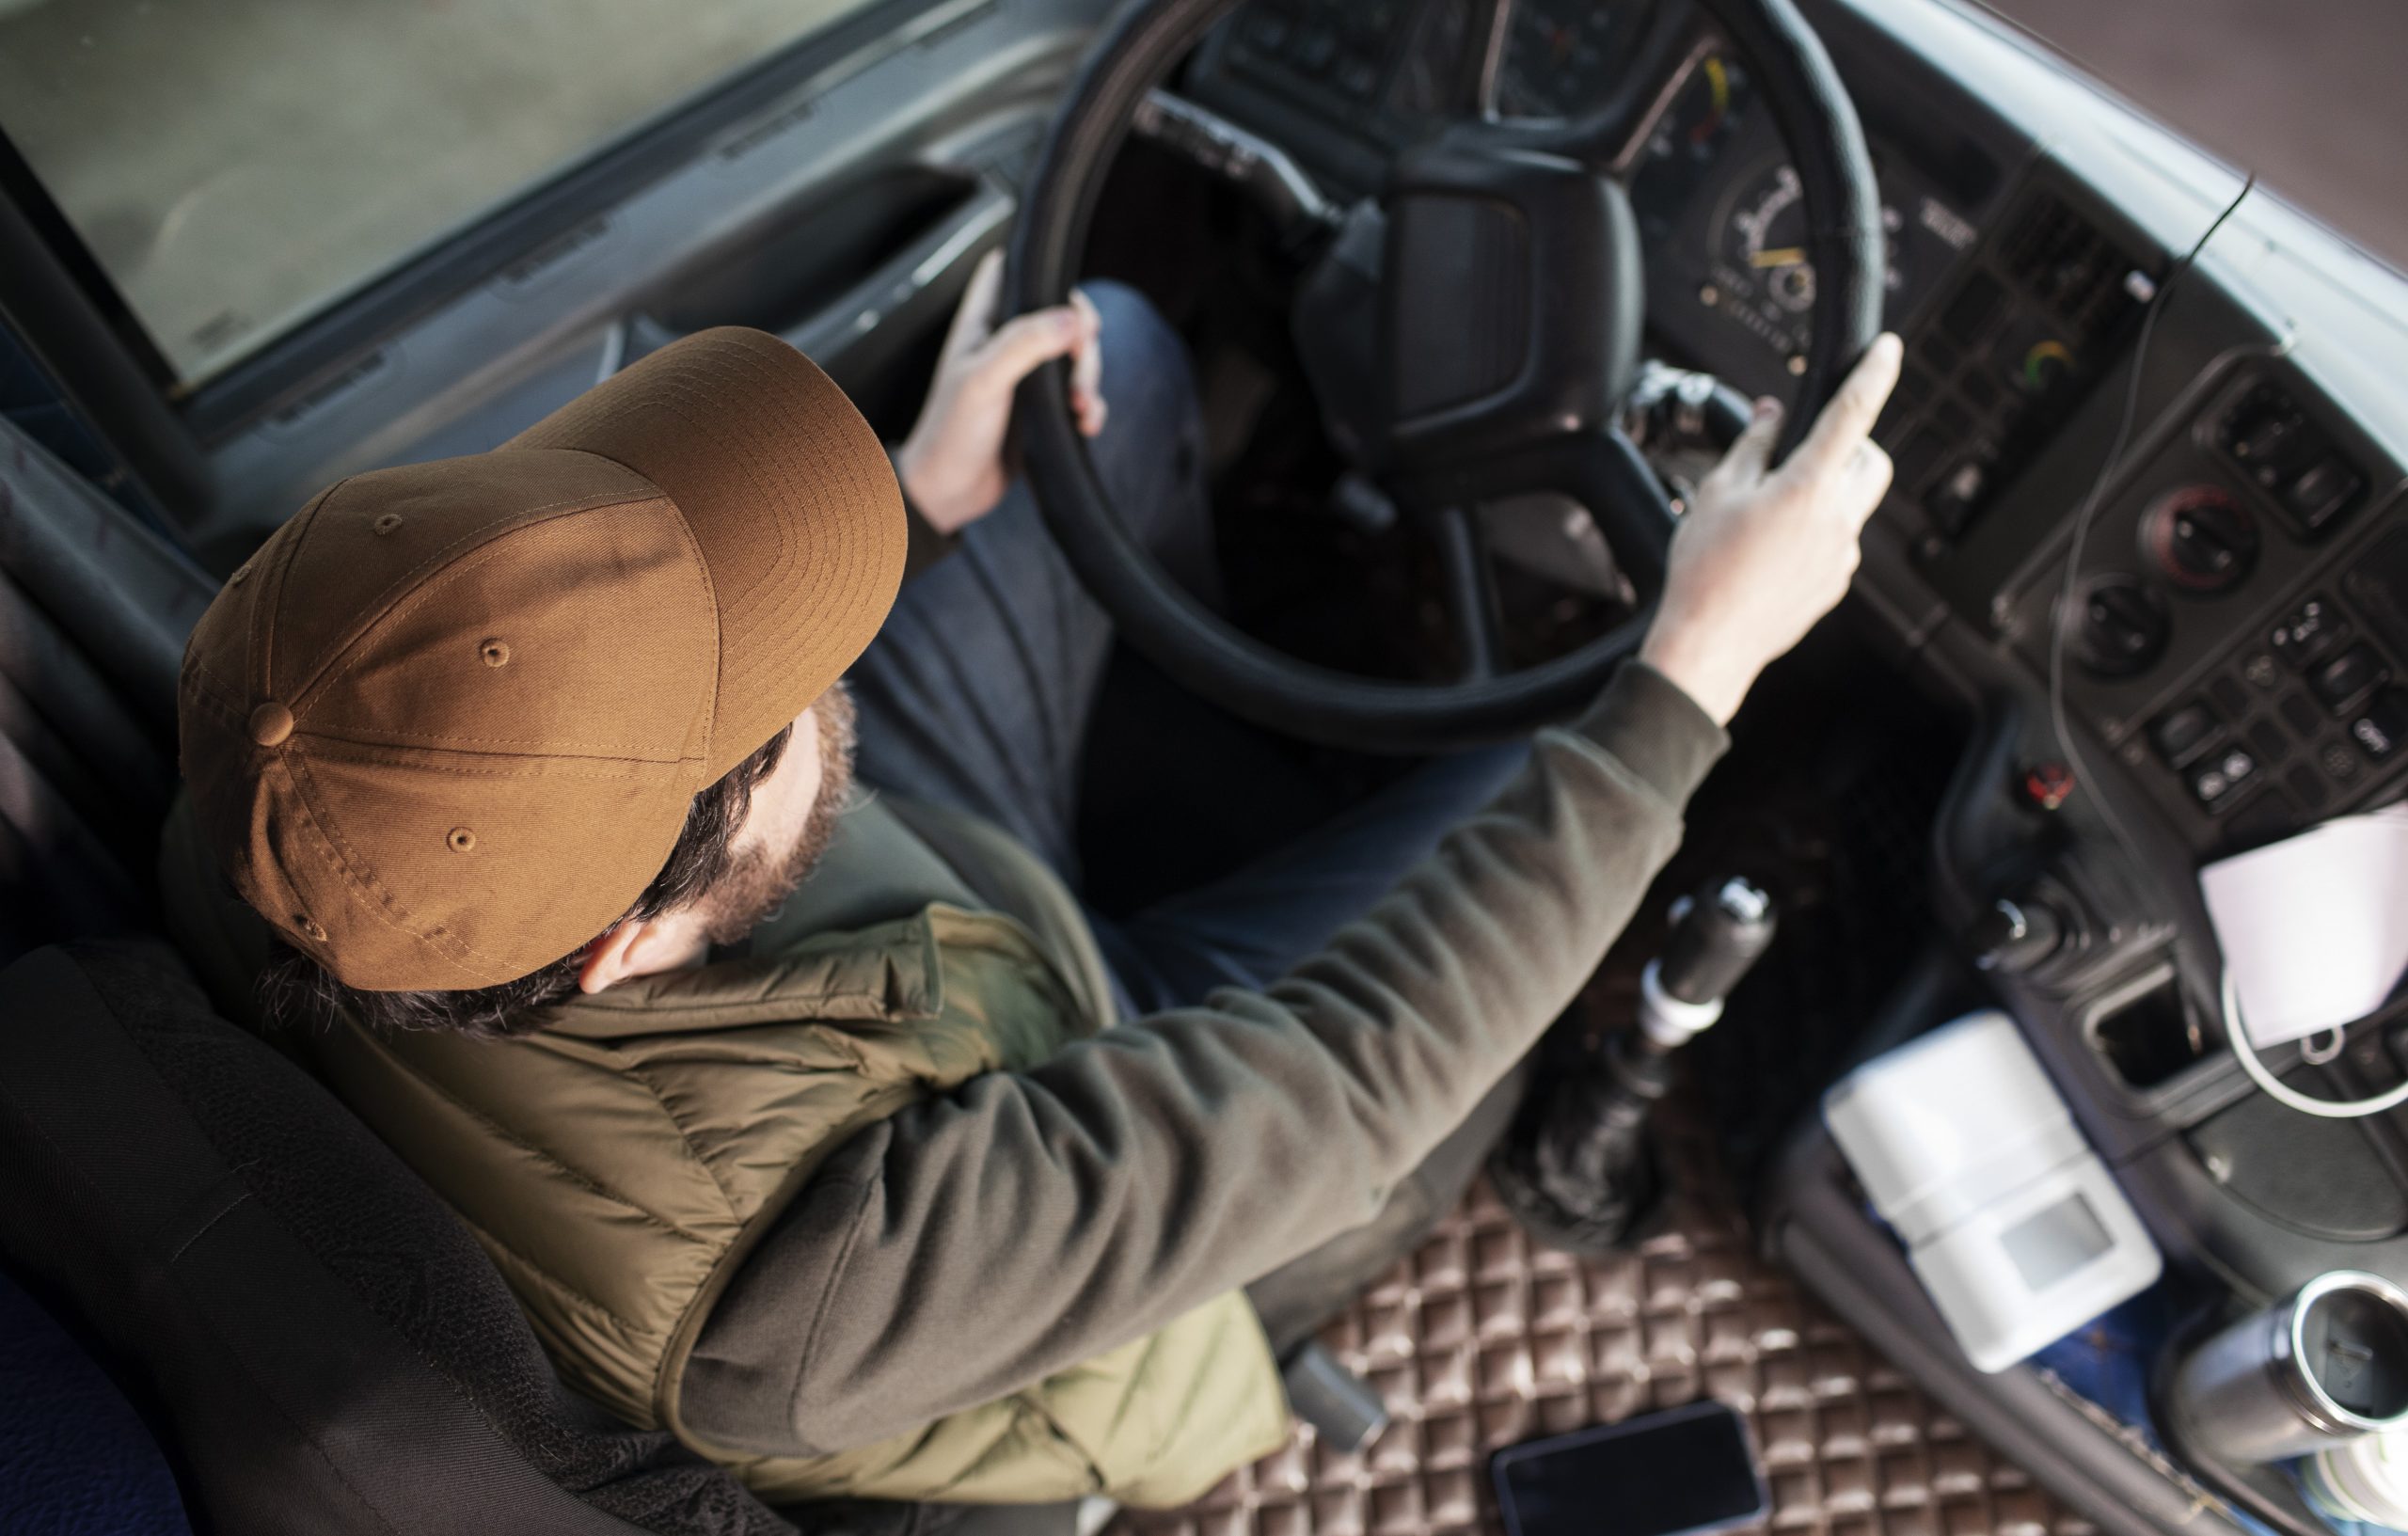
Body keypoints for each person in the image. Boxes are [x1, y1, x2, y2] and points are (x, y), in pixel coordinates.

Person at [162, 246, 1899, 1517]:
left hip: (916, 948)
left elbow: (627, 770)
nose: (825, 667)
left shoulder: (280, 797)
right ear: (626, 941)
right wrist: (1694, 663)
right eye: (774, 693)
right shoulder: (790, 1301)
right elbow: (1353, 1074)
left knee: (1109, 361)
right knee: (1554, 802)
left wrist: (914, 508)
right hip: (1099, 1210)